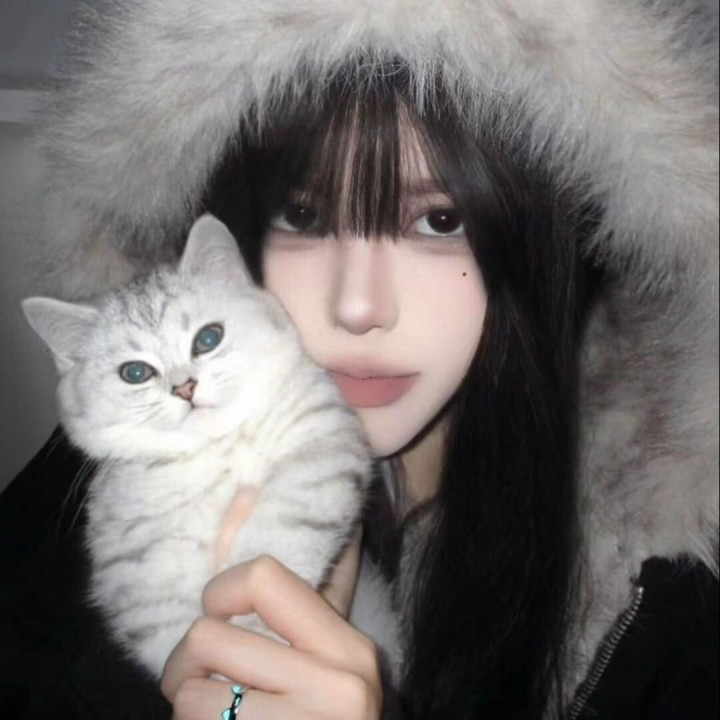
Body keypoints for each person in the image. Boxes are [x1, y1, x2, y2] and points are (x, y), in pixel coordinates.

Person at [1, 1, 717, 719]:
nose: (358, 307)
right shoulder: (127, 447)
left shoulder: (677, 601)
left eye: (438, 220)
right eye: (302, 217)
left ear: (538, 242)